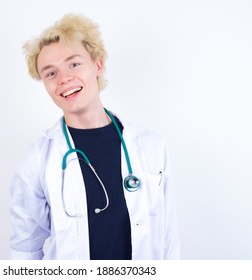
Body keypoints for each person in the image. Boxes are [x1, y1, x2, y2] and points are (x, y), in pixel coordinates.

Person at [10, 14, 179, 260]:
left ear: (97, 65)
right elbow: (24, 250)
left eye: (74, 64)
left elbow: (168, 239)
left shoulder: (151, 146)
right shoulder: (36, 160)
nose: (64, 78)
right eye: (50, 73)